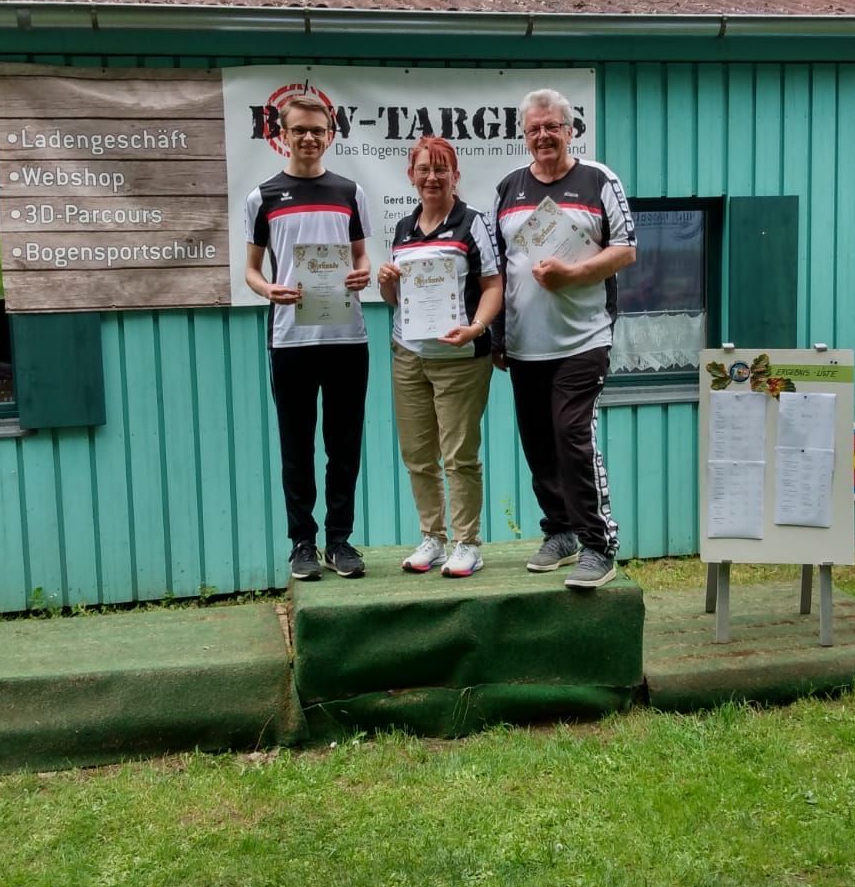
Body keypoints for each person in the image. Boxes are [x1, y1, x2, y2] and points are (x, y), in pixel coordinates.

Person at [493, 88, 636, 590]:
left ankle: (598, 544)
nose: (543, 136)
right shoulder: (508, 188)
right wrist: (498, 336)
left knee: (572, 438)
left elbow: (626, 250)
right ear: (524, 135)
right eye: (534, 128)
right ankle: (560, 532)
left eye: (552, 126)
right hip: (524, 345)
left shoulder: (598, 179)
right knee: (539, 444)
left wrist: (572, 275)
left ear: (570, 130)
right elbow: (500, 269)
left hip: (583, 340)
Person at [244, 91, 372, 581]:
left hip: (346, 338)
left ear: (330, 135)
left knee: (345, 445)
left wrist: (363, 273)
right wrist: (268, 289)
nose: (309, 138)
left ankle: (340, 540)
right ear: (282, 134)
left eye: (318, 130)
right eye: (299, 130)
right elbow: (251, 270)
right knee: (296, 446)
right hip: (291, 340)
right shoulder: (263, 197)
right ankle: (302, 542)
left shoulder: (350, 192)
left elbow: (361, 257)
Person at [377, 137, 503, 577]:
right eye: (424, 169)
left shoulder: (473, 223)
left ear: (455, 175)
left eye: (441, 169)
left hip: (461, 358)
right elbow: (395, 300)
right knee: (417, 453)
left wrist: (477, 326)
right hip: (409, 355)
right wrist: (387, 282)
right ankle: (432, 537)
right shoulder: (402, 228)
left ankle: (467, 543)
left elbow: (493, 286)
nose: (432, 177)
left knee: (459, 456)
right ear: (411, 175)